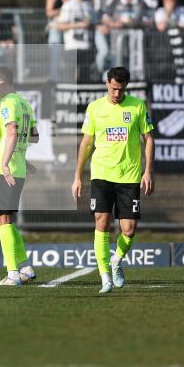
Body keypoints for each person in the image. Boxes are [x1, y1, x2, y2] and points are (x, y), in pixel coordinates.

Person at [71, 66, 155, 294]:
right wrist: (77, 176)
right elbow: (86, 143)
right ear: (107, 82)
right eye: (113, 88)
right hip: (101, 174)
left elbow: (148, 138)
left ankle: (116, 260)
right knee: (101, 222)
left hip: (129, 176)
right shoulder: (95, 108)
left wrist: (148, 171)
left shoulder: (137, 106)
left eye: (121, 89)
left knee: (128, 230)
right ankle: (105, 276)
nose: (116, 94)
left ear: (126, 86)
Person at [0, 67, 39, 286]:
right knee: (6, 219)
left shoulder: (7, 103)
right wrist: (21, 157)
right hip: (18, 168)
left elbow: (12, 132)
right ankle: (25, 266)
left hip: (5, 170)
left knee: (3, 220)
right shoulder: (25, 103)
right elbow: (34, 137)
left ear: (0, 82)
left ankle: (12, 274)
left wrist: (5, 163)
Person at [53, 0, 95, 83]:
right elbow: (60, 26)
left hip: (86, 46)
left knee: (85, 77)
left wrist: (90, 25)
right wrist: (79, 25)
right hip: (72, 46)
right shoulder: (68, 5)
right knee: (69, 77)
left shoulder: (89, 5)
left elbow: (93, 23)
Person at [153, 0, 184, 84]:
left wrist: (174, 24)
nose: (169, 2)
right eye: (166, 0)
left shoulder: (182, 10)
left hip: (180, 45)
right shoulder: (160, 11)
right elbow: (161, 27)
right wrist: (168, 13)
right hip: (164, 47)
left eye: (171, 0)